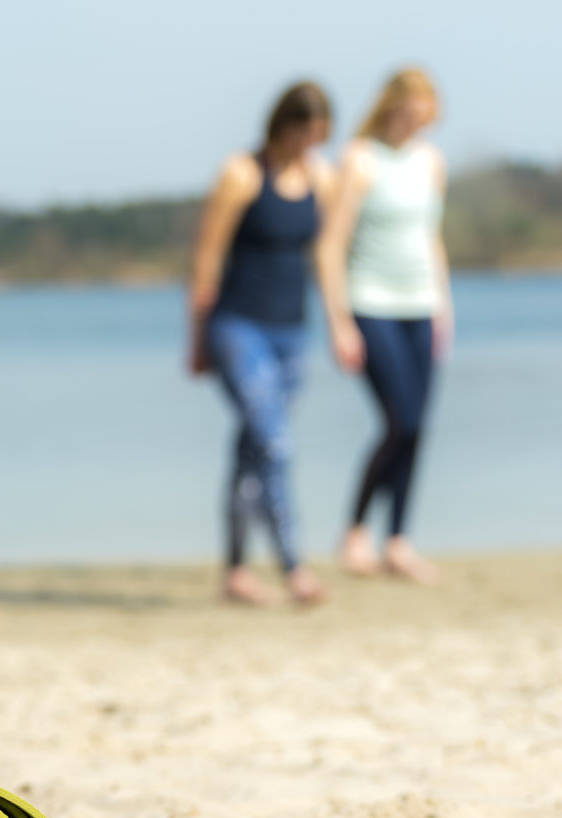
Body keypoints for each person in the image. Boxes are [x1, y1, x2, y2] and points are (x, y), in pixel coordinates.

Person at [188, 81, 336, 606]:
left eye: (321, 137)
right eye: (306, 134)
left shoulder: (320, 175)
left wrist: (340, 323)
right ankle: (294, 567)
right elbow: (207, 259)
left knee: (254, 450)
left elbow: (326, 258)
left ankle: (235, 573)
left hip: (292, 332)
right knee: (275, 444)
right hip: (237, 328)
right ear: (285, 125)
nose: (311, 146)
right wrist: (197, 339)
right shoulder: (241, 174)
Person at [317, 67, 450, 584]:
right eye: (411, 103)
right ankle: (354, 532)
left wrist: (445, 305)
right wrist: (339, 323)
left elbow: (431, 237)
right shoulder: (359, 159)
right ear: (392, 104)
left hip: (422, 304)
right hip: (371, 304)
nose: (419, 114)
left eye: (428, 104)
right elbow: (331, 245)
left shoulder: (431, 161)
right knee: (400, 420)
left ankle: (398, 541)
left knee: (419, 427)